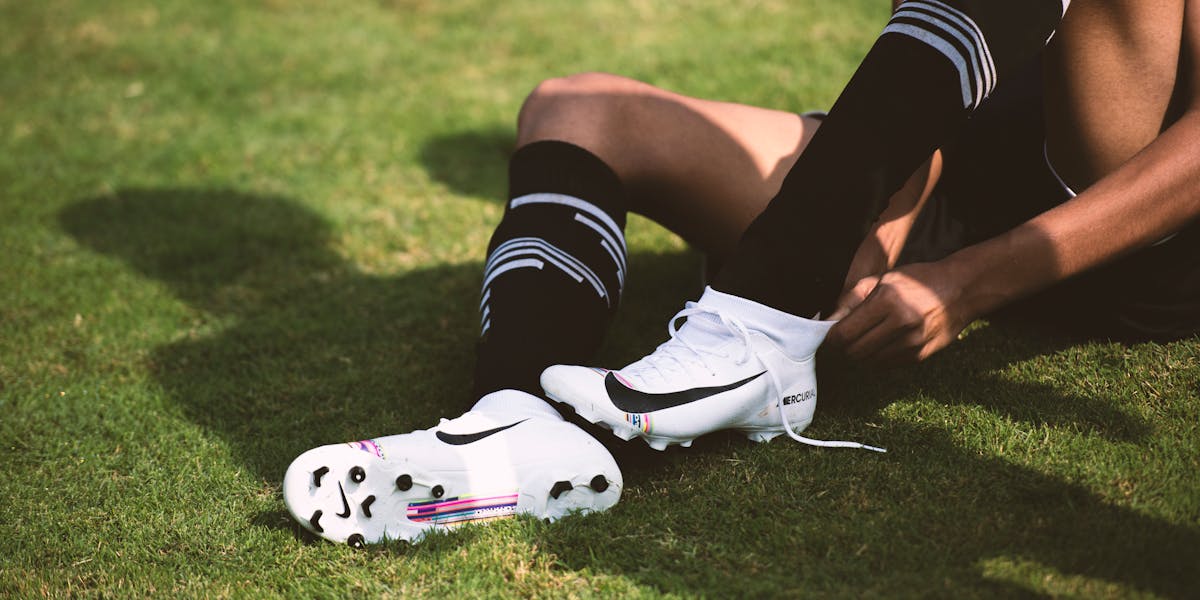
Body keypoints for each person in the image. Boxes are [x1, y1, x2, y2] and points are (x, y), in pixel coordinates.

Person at [283, 0, 1200, 547]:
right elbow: (945, 66)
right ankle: (515, 421)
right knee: (581, 109)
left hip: (1135, 213)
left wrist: (974, 280)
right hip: (973, 174)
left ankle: (759, 321)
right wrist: (883, 222)